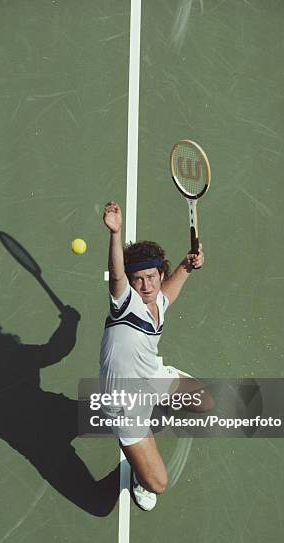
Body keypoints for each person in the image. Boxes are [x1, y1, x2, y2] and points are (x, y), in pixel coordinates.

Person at [99, 201, 212, 511]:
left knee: (204, 401)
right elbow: (117, 276)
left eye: (152, 277)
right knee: (157, 484)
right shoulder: (125, 304)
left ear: (160, 273)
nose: (146, 285)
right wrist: (115, 233)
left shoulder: (158, 301)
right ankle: (139, 471)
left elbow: (170, 291)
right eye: (138, 279)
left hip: (151, 377)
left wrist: (189, 264)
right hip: (123, 403)